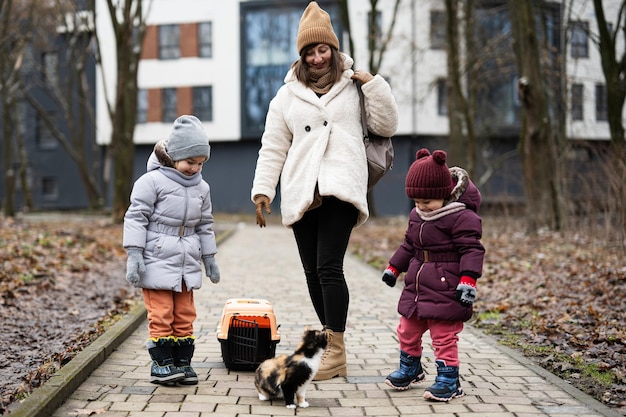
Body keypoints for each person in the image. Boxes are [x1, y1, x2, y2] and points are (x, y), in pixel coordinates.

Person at [250, 1, 398, 381]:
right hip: (303, 189)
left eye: (323, 49)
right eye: (309, 52)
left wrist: (374, 86)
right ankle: (331, 343)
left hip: (341, 186)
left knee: (329, 267)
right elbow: (274, 145)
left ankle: (337, 349)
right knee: (311, 272)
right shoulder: (286, 96)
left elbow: (387, 124)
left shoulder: (354, 86)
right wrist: (263, 190)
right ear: (301, 55)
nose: (317, 58)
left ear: (333, 48)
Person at [123, 115, 221, 386]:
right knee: (162, 314)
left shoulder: (202, 187)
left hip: (186, 261)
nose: (195, 168)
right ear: (174, 156)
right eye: (190, 162)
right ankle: (162, 364)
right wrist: (134, 254)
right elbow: (136, 217)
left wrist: (209, 258)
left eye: (200, 163)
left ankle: (182, 363)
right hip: (156, 258)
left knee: (185, 315)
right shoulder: (151, 181)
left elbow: (205, 224)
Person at [382, 148, 485, 401]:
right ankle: (411, 368)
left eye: (426, 201)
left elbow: (472, 249)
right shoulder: (418, 215)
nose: (421, 207)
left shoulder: (461, 217)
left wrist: (468, 280)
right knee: (406, 329)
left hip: (447, 287)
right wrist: (394, 268)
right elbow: (408, 245)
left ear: (442, 193)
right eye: (416, 202)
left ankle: (449, 380)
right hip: (417, 287)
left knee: (443, 336)